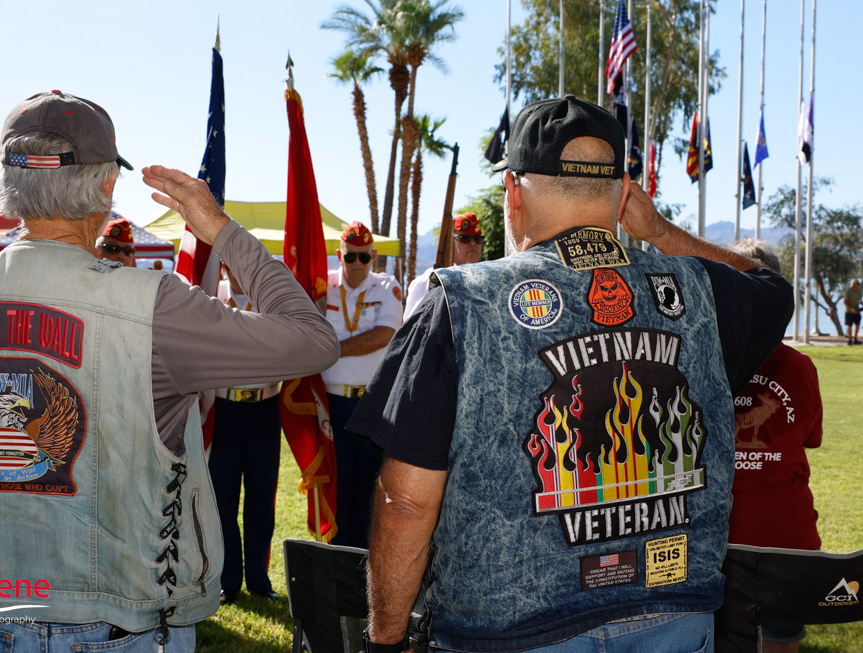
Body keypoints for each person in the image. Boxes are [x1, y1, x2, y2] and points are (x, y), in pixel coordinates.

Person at [0, 90, 339, 653]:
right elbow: (314, 340)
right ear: (107, 187)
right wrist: (223, 232)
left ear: (7, 184)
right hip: (125, 624)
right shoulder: (155, 304)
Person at [349, 95, 793, 652]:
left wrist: (385, 641)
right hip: (672, 617)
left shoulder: (461, 302)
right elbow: (773, 289)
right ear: (622, 194)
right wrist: (660, 233)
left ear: (512, 193)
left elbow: (407, 501)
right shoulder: (700, 290)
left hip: (508, 630)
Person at [719, 238, 822, 653]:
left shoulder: (709, 361)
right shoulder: (798, 367)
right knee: (781, 641)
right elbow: (809, 437)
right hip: (788, 538)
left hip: (725, 543)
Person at [323, 221, 402, 548]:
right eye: (350, 257)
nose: (357, 264)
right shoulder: (321, 285)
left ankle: (367, 560)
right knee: (338, 484)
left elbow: (385, 335)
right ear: (339, 255)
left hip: (371, 403)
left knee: (369, 485)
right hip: (331, 403)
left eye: (364, 258)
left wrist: (331, 350)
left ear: (374, 257)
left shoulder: (386, 287)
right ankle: (337, 557)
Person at [209, 264, 283, 606]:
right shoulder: (211, 295)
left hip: (263, 410)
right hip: (223, 410)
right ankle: (228, 580)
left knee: (261, 498)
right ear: (224, 265)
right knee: (223, 499)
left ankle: (258, 578)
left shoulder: (270, 298)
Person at [403, 212, 484, 317]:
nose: (473, 243)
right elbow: (413, 327)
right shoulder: (428, 280)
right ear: (450, 242)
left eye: (477, 239)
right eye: (465, 238)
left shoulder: (485, 279)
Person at [843, 279, 861, 345]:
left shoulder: (859, 291)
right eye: (858, 284)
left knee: (857, 325)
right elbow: (845, 302)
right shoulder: (849, 291)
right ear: (853, 285)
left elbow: (859, 300)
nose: (859, 285)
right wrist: (851, 309)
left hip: (857, 311)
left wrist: (861, 303)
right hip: (849, 312)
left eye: (859, 284)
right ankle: (850, 340)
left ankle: (855, 339)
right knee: (850, 326)